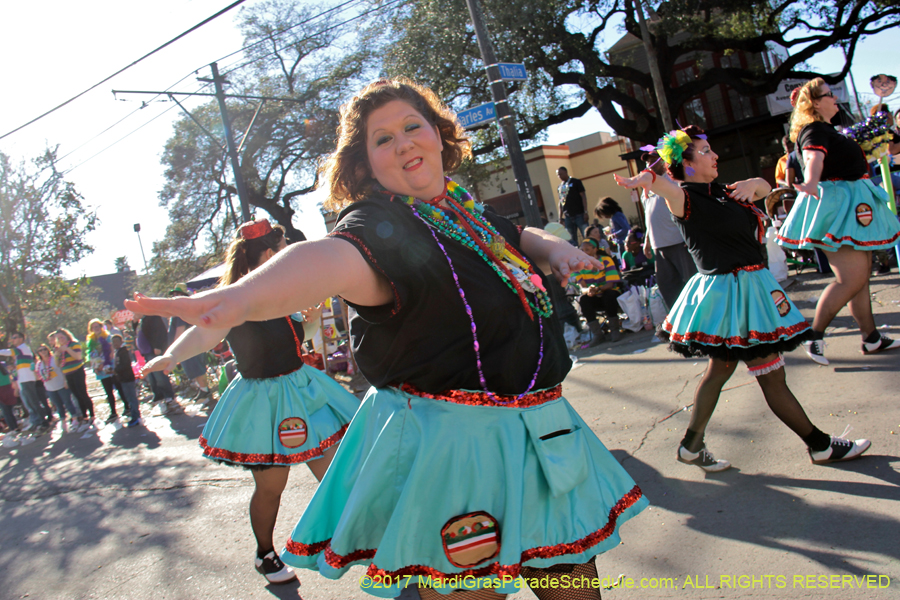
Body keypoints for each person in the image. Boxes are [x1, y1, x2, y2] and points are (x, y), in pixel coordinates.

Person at [127, 78, 647, 600]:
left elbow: (513, 234)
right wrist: (235, 302)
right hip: (457, 454)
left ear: (440, 136)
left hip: (546, 438)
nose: (402, 143)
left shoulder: (471, 212)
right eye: (382, 139)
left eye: (412, 126)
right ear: (366, 166)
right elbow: (327, 260)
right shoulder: (378, 225)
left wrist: (551, 249)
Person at [615, 125, 872, 471]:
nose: (715, 155)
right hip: (730, 298)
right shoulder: (683, 197)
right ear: (687, 163)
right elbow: (660, 184)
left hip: (751, 291)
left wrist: (758, 184)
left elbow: (765, 189)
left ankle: (692, 446)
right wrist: (646, 179)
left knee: (719, 371)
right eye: (705, 151)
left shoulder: (723, 190)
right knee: (769, 376)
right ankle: (820, 445)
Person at [141, 219, 359, 585]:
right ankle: (265, 553)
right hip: (264, 403)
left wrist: (305, 324)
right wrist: (172, 357)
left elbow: (291, 337)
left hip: (304, 390)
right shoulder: (232, 297)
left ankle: (365, 545)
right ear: (272, 254)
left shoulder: (286, 290)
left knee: (336, 475)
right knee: (272, 488)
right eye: (286, 246)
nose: (291, 252)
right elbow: (204, 331)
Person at [776, 78, 900, 365]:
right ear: (815, 103)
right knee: (851, 279)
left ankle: (870, 338)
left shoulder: (829, 130)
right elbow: (813, 157)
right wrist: (809, 181)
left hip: (850, 209)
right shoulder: (814, 129)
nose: (834, 98)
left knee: (860, 278)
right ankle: (813, 335)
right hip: (839, 210)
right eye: (828, 95)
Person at [640, 154, 697, 308]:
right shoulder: (646, 188)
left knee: (692, 281)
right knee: (668, 287)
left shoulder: (673, 181)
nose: (649, 164)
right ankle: (680, 323)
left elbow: (686, 209)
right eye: (647, 162)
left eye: (653, 160)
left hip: (678, 242)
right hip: (658, 246)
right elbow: (648, 217)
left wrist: (689, 235)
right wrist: (647, 242)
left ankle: (702, 320)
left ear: (663, 161)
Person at [167, 283, 213, 404]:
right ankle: (203, 391)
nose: (174, 297)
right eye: (173, 294)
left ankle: (205, 393)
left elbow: (180, 331)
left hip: (189, 346)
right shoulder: (184, 310)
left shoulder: (182, 312)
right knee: (195, 370)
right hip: (192, 345)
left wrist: (175, 350)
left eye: (177, 294)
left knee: (197, 369)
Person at [574, 238, 624, 345]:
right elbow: (582, 287)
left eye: (586, 250)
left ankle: (615, 330)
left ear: (595, 249)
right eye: (582, 250)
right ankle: (597, 334)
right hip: (594, 295)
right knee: (584, 300)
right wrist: (588, 290)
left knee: (609, 295)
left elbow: (610, 284)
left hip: (609, 292)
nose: (583, 253)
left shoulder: (606, 260)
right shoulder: (579, 266)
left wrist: (598, 289)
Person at [0, 332, 51, 432]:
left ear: (22, 338)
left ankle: (44, 423)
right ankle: (36, 422)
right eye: (12, 338)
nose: (13, 340)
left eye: (15, 337)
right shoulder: (19, 352)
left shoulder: (23, 348)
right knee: (29, 404)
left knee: (33, 402)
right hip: (23, 380)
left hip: (27, 379)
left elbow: (8, 352)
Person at [53, 328, 96, 428]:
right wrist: (57, 354)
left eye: (62, 337)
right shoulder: (58, 349)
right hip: (68, 374)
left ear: (67, 336)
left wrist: (67, 349)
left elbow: (78, 357)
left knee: (83, 393)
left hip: (77, 371)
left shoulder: (74, 344)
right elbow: (58, 364)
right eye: (58, 338)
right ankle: (84, 416)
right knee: (76, 395)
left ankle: (92, 415)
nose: (61, 340)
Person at [136, 312, 177, 414]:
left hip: (154, 350)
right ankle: (158, 395)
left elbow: (159, 332)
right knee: (152, 377)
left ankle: (168, 396)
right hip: (146, 352)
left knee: (159, 374)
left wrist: (157, 346)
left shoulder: (152, 316)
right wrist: (134, 322)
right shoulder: (141, 320)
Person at [36, 344, 82, 432]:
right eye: (40, 350)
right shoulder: (39, 364)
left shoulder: (54, 359)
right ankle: (63, 421)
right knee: (58, 405)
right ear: (38, 353)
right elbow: (39, 377)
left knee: (67, 402)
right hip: (50, 388)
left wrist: (65, 381)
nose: (43, 351)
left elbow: (62, 369)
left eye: (44, 349)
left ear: (48, 349)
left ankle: (74, 418)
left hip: (61, 384)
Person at [86, 319, 119, 423]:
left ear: (101, 327)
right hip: (99, 369)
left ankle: (127, 407)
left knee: (119, 386)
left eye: (97, 326)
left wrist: (105, 363)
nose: (96, 329)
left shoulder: (107, 337)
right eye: (93, 327)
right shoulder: (91, 341)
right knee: (108, 391)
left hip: (109, 365)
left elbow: (111, 351)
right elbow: (91, 355)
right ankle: (113, 412)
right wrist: (95, 367)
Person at [111, 334, 142, 428]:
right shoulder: (117, 352)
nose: (115, 344)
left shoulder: (124, 352)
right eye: (113, 342)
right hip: (123, 379)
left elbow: (125, 365)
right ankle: (134, 415)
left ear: (121, 342)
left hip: (128, 378)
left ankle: (135, 417)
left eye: (117, 341)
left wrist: (115, 370)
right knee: (128, 398)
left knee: (132, 397)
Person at [556, 166, 588, 245]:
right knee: (571, 239)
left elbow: (583, 196)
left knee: (586, 236)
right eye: (558, 175)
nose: (560, 176)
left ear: (566, 172)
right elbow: (560, 202)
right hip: (568, 217)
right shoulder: (560, 187)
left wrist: (585, 212)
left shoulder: (576, 182)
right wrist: (560, 217)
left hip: (579, 214)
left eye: (561, 174)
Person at [0, 361, 19, 432]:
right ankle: (15, 427)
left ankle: (13, 429)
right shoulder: (3, 364)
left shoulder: (3, 364)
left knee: (6, 412)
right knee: (9, 411)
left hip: (4, 390)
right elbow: (11, 376)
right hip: (9, 388)